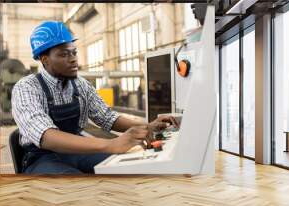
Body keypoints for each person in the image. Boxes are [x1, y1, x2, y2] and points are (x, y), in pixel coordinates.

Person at [11, 21, 178, 174]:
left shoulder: (80, 84)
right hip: (42, 157)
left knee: (120, 167)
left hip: (78, 151)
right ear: (45, 59)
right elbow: (46, 137)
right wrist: (111, 144)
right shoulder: (27, 87)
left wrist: (147, 126)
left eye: (74, 52)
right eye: (64, 55)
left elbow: (107, 118)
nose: (73, 59)